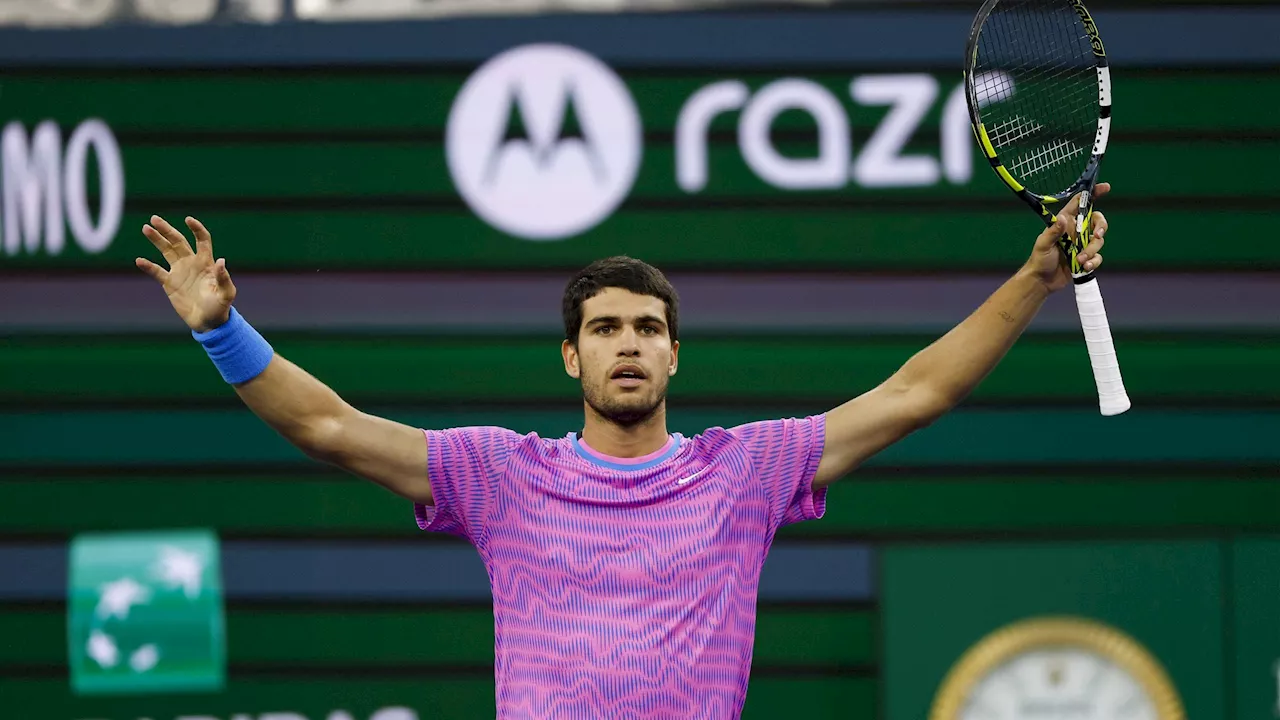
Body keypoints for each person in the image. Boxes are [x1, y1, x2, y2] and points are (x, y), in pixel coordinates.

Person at [135, 184, 1110, 719]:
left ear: (674, 351)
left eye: (646, 326)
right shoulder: (499, 474)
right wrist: (222, 330)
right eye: (604, 328)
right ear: (572, 356)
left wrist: (1032, 278)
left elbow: (917, 392)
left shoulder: (747, 469)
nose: (628, 342)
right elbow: (329, 426)